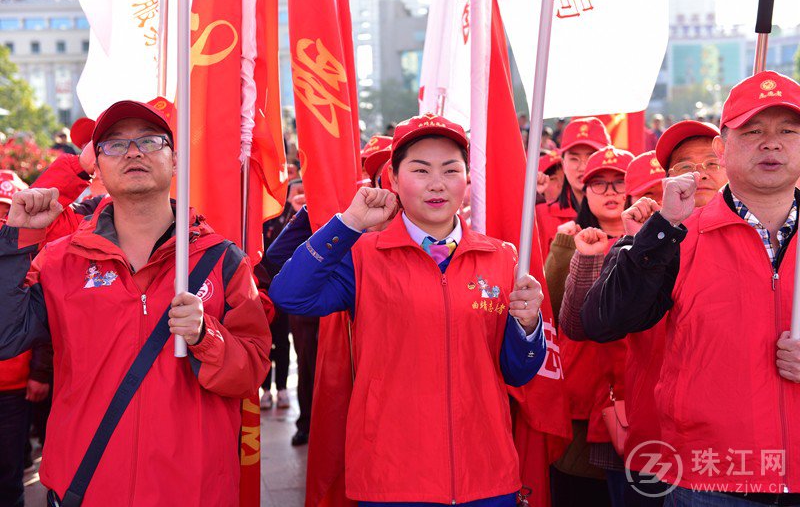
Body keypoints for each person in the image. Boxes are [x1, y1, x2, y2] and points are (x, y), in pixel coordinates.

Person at [0, 97, 271, 506]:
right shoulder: (60, 260)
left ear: (175, 160)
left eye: (149, 140)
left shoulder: (221, 260)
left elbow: (250, 373)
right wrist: (16, 241)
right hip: (87, 489)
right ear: (97, 166)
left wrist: (205, 336)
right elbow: (5, 336)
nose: (132, 152)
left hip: (193, 492)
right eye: (114, 144)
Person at [269, 113, 547, 506]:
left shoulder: (501, 257)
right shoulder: (364, 256)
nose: (437, 183)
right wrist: (348, 223)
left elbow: (519, 371)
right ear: (394, 180)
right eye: (420, 170)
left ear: (467, 179)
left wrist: (529, 325)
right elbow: (289, 294)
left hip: (486, 474)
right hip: (392, 476)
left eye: (450, 170)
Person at [582, 71, 800, 505]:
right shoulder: (678, 235)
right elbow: (604, 321)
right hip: (710, 477)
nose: (771, 144)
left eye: (788, 131)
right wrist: (660, 230)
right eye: (753, 131)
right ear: (723, 147)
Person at [543, 147, 633, 507]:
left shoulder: (654, 244)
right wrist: (565, 247)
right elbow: (551, 309)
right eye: (599, 184)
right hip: (580, 401)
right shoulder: (571, 239)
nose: (610, 192)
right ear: (585, 191)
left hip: (632, 400)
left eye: (619, 183)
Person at [0, 170, 52, 507]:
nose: (3, 217)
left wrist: (39, 373)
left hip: (14, 388)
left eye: (6, 208)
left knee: (9, 474)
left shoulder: (31, 252)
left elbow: (44, 319)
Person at [257, 179, 306, 411]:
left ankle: (283, 388)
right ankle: (266, 388)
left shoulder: (291, 213)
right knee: (264, 341)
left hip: (284, 286)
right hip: (260, 288)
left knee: (283, 341)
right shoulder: (263, 215)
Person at [536, 117, 611, 255]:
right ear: (563, 164)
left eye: (591, 157)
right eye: (574, 159)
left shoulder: (625, 216)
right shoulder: (541, 215)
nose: (582, 167)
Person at [654, 120, 728, 206]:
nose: (700, 175)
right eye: (685, 167)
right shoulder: (656, 214)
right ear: (669, 178)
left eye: (712, 164)